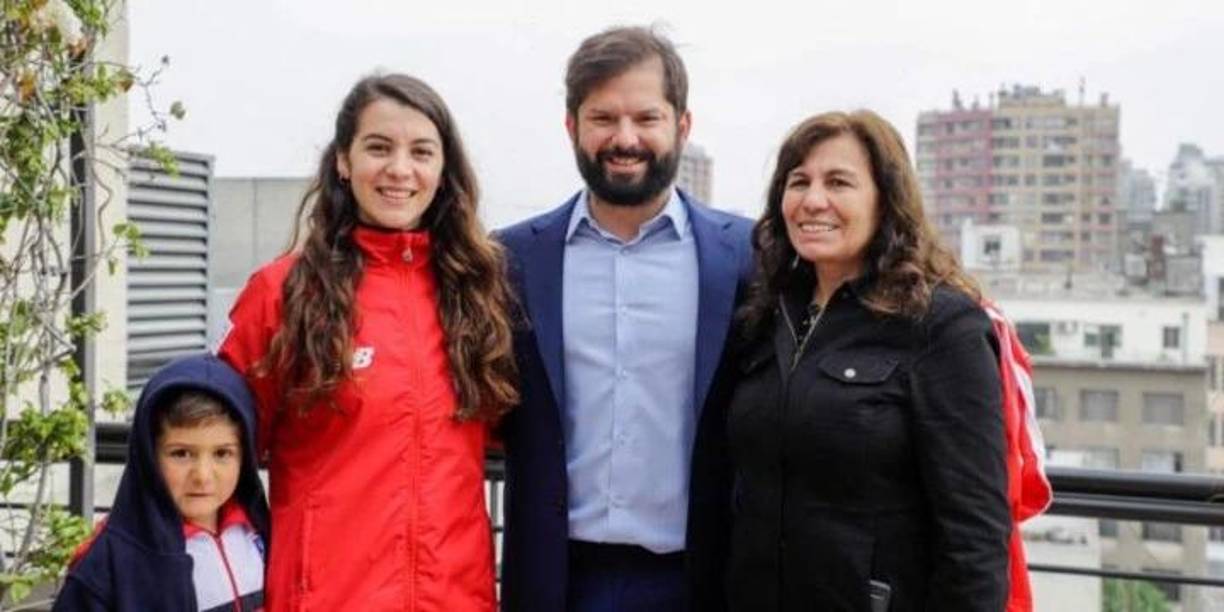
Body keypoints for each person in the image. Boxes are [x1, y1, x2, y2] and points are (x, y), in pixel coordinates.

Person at [217, 74, 518, 611]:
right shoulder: (283, 293)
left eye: (421, 152)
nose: (400, 170)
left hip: (454, 598)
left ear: (443, 170)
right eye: (378, 147)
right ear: (342, 160)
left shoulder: (478, 294)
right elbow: (216, 446)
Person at [496, 25, 753, 612]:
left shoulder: (746, 256)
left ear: (682, 126)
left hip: (704, 578)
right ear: (572, 128)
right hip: (557, 578)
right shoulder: (511, 261)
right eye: (603, 118)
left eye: (646, 118)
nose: (625, 138)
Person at [726, 110, 1011, 611]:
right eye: (799, 182)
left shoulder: (941, 326)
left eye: (839, 182)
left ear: (886, 199)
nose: (814, 200)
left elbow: (975, 538)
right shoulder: (765, 316)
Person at [55, 354, 269, 612]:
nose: (202, 475)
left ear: (244, 457)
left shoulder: (260, 531)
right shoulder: (108, 561)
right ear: (149, 456)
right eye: (181, 454)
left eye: (222, 453)